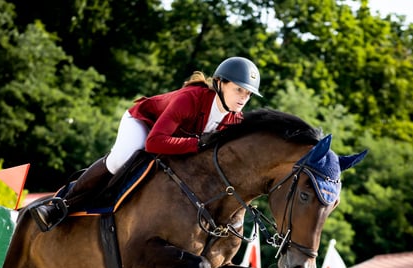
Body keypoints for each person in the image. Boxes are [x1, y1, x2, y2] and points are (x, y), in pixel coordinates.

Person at [31, 56, 262, 231]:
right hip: (145, 124)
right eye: (239, 90)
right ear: (219, 83)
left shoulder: (235, 120)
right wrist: (197, 143)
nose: (243, 98)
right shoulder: (189, 100)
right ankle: (60, 205)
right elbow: (153, 143)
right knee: (121, 159)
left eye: (248, 94)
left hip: (175, 140)